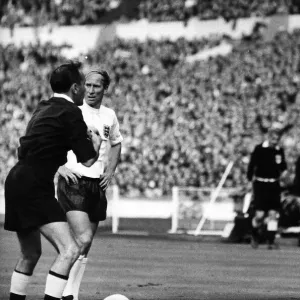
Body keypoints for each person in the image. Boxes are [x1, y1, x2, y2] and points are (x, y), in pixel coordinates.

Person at [4, 61, 102, 300]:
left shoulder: (42, 107)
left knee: (30, 254)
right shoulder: (71, 112)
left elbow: (38, 143)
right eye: (81, 85)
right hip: (35, 184)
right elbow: (88, 160)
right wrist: (96, 143)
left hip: (15, 180)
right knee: (70, 249)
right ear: (75, 88)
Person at [56, 69, 123, 300]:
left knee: (86, 244)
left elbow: (116, 142)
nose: (91, 90)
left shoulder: (109, 116)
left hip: (97, 185)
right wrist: (59, 166)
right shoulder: (72, 111)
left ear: (105, 89)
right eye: (88, 85)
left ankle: (70, 294)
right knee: (82, 238)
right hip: (73, 181)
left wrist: (111, 170)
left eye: (97, 86)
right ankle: (64, 293)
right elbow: (49, 139)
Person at [247, 123, 287, 249]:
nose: (276, 139)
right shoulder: (259, 149)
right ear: (269, 136)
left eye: (278, 136)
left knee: (273, 214)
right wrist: (249, 181)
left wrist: (284, 173)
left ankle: (270, 241)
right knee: (259, 215)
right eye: (274, 136)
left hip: (274, 184)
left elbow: (283, 167)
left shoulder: (279, 150)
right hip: (260, 184)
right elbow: (251, 166)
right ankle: (254, 235)